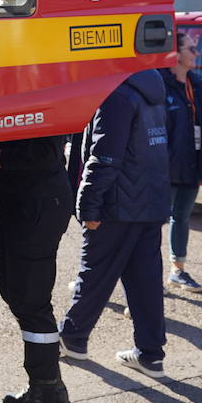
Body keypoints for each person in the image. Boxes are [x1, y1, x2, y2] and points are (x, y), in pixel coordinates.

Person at [58, 69, 171, 380]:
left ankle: (73, 335)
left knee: (94, 271)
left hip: (117, 203)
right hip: (149, 199)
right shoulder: (151, 88)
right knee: (145, 281)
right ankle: (150, 354)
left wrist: (87, 205)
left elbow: (105, 157)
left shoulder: (116, 94)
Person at [0, 137, 77, 403]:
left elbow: (43, 152)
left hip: (38, 201)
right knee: (15, 293)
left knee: (31, 301)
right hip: (17, 197)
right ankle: (51, 387)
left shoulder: (42, 91)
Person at [161, 32, 202, 290]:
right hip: (166, 166)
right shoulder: (160, 84)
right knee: (154, 222)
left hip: (192, 161)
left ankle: (178, 270)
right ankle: (148, 275)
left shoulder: (196, 83)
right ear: (175, 54)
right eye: (191, 49)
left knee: (182, 218)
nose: (197, 54)